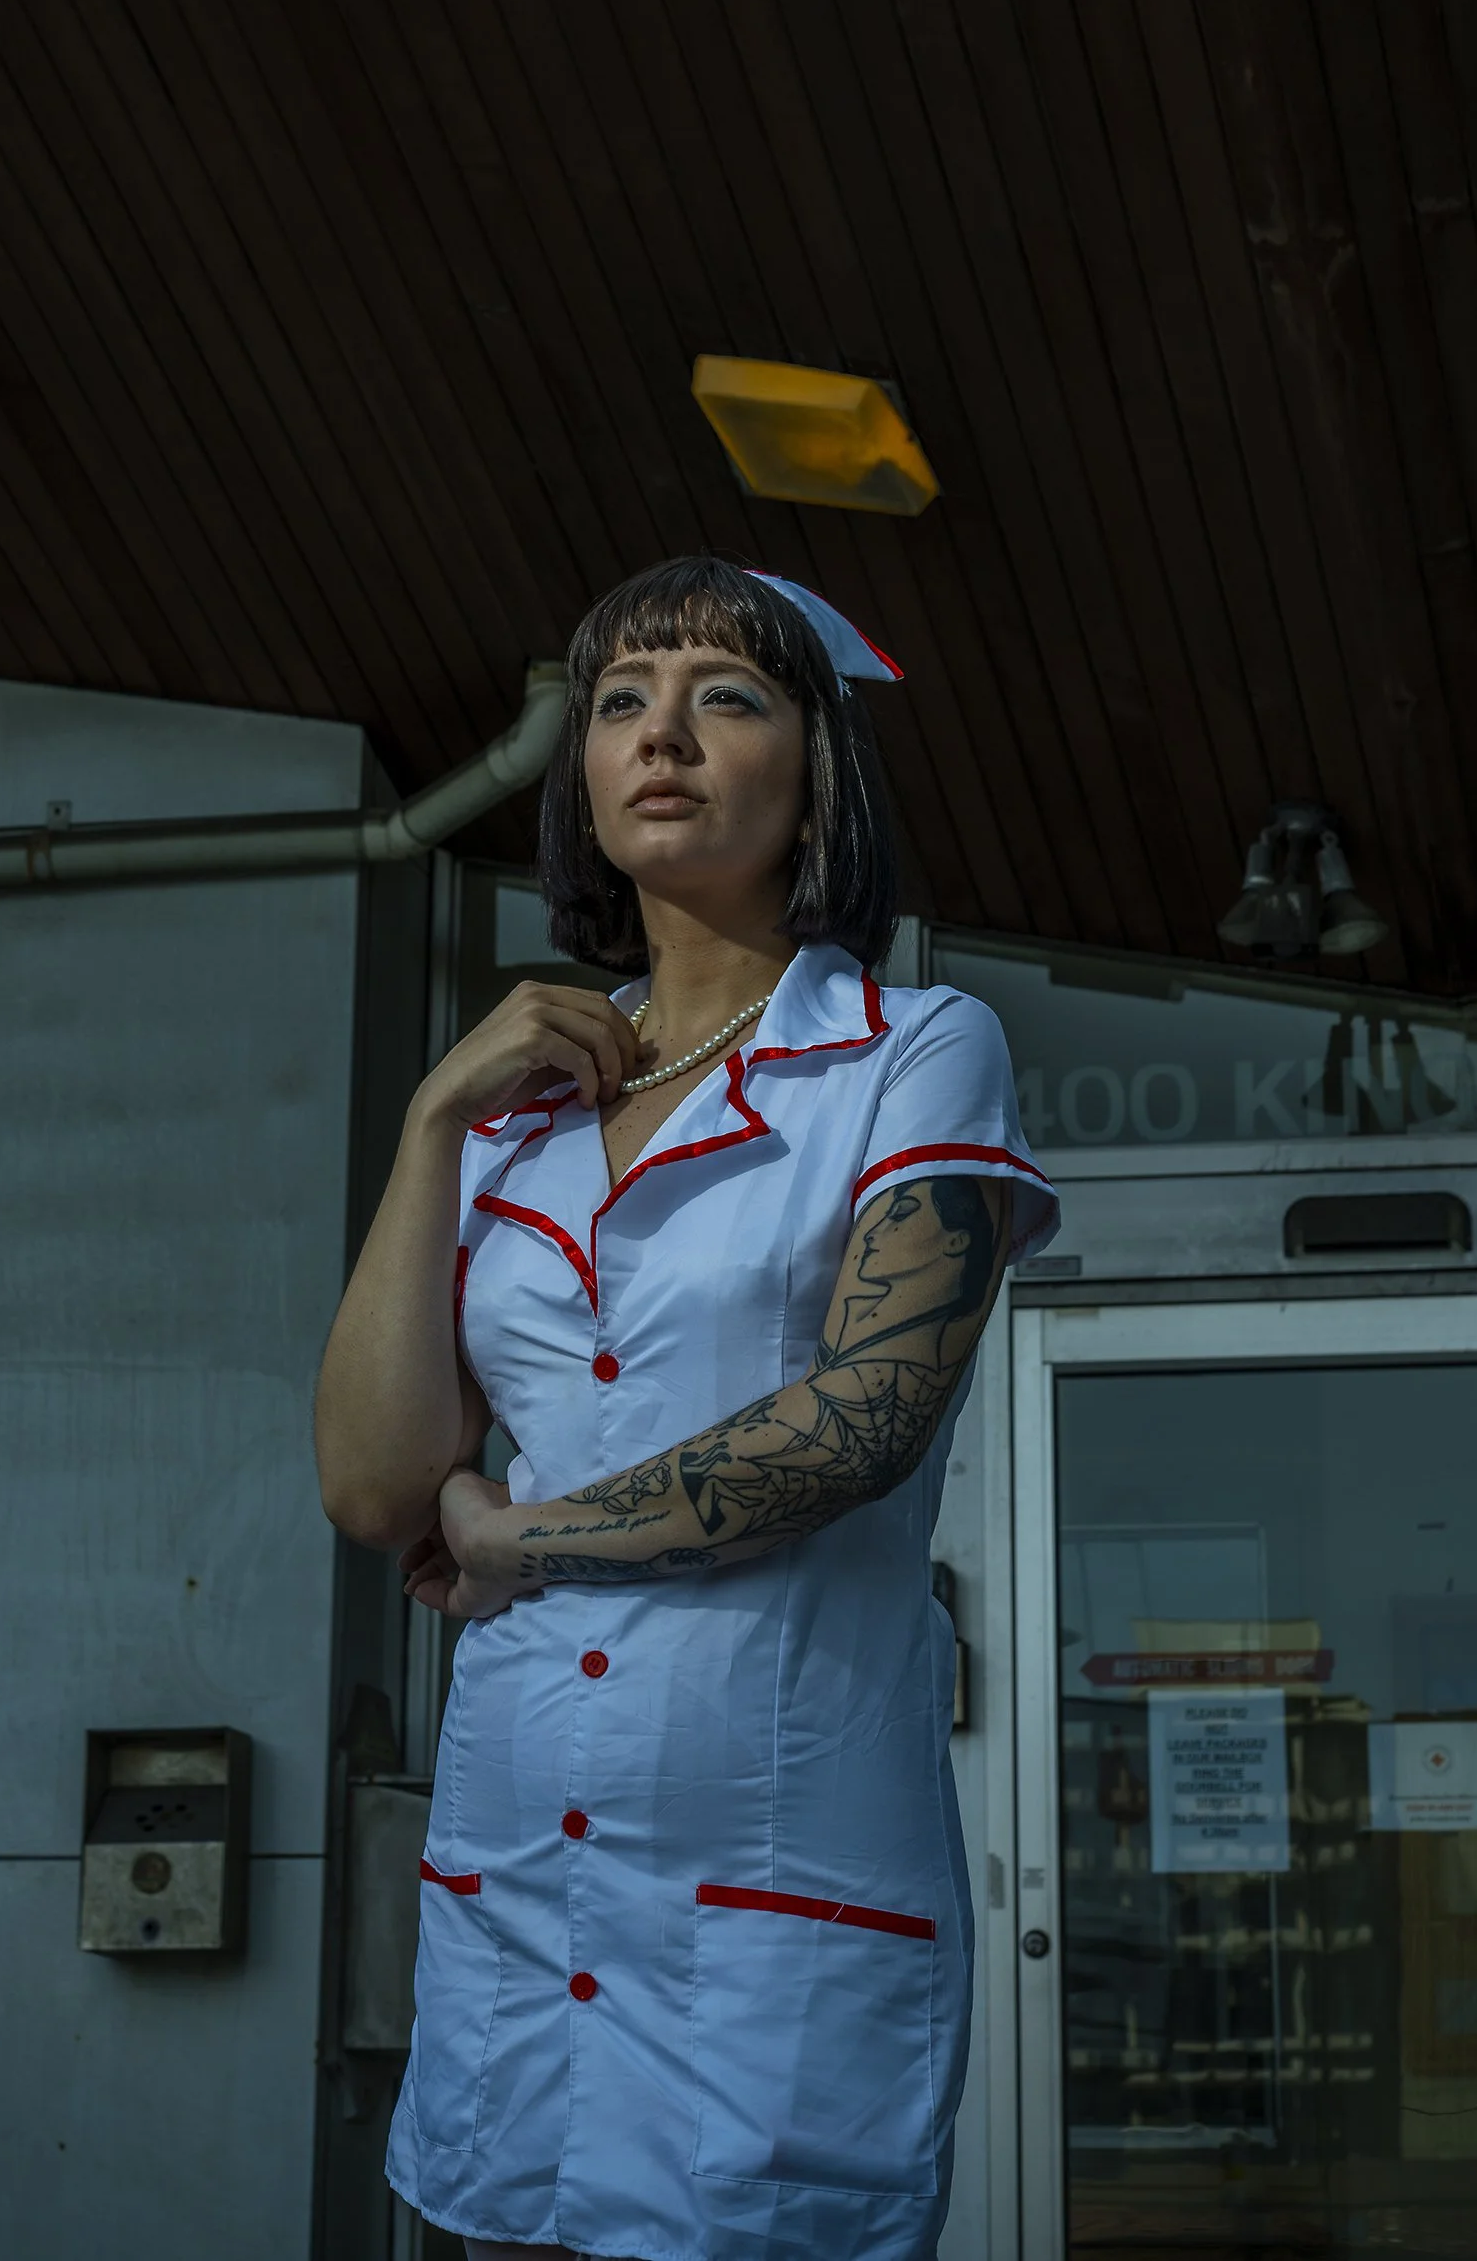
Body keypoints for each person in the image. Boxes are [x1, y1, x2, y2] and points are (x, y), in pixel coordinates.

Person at [315, 554, 1058, 2261]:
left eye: (728, 694)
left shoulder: (912, 1049)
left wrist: (526, 1531)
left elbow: (863, 1417)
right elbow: (370, 1483)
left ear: (818, 772)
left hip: (778, 1912)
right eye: (622, 701)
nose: (665, 733)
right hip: (516, 1882)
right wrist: (430, 1119)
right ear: (580, 773)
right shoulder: (508, 1115)